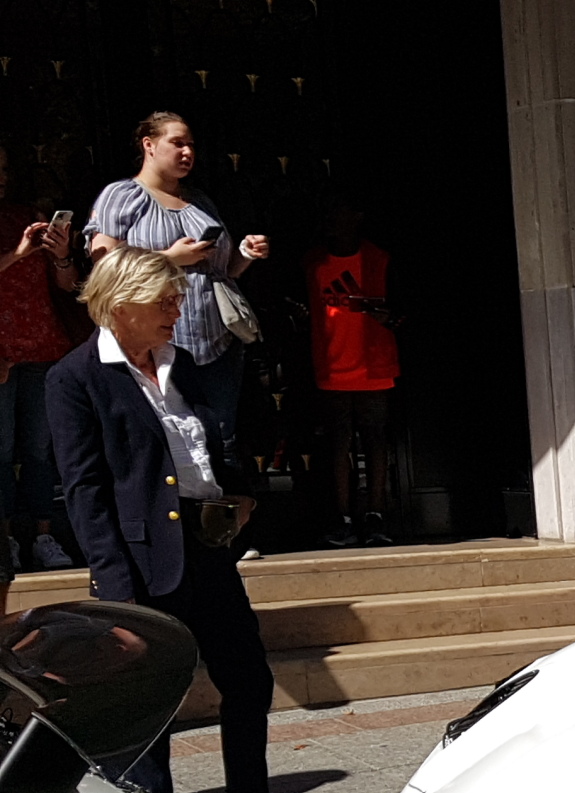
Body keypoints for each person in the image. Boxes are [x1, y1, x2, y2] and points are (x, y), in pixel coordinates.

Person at [46, 247, 312, 793]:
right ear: (120, 305)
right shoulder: (75, 378)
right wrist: (113, 590)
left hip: (207, 546)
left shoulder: (181, 361)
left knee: (247, 677)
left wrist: (238, 490)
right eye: (164, 300)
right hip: (140, 562)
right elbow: (86, 491)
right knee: (150, 699)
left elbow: (210, 441)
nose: (177, 309)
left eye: (178, 298)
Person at [83, 112, 269, 462]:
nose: (187, 152)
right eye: (177, 143)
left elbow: (222, 271)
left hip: (215, 342)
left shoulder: (200, 201)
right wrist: (169, 258)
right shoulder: (122, 195)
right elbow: (103, 262)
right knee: (166, 441)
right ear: (149, 145)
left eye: (191, 145)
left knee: (220, 440)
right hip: (157, 344)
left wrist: (245, 253)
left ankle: (218, 515)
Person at [0, 139, 81, 570]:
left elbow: (66, 287)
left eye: (5, 169)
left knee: (38, 450)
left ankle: (44, 536)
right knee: (0, 451)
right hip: (3, 351)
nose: (2, 178)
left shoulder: (23, 217)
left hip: (43, 346)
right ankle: (7, 537)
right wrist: (17, 254)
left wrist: (61, 253)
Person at [305, 194, 399, 547]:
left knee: (375, 440)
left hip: (375, 363)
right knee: (338, 443)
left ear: (356, 216)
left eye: (340, 212)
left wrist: (388, 315)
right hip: (330, 364)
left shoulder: (379, 258)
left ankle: (376, 514)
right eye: (329, 214)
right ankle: (342, 516)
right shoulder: (313, 262)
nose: (334, 220)